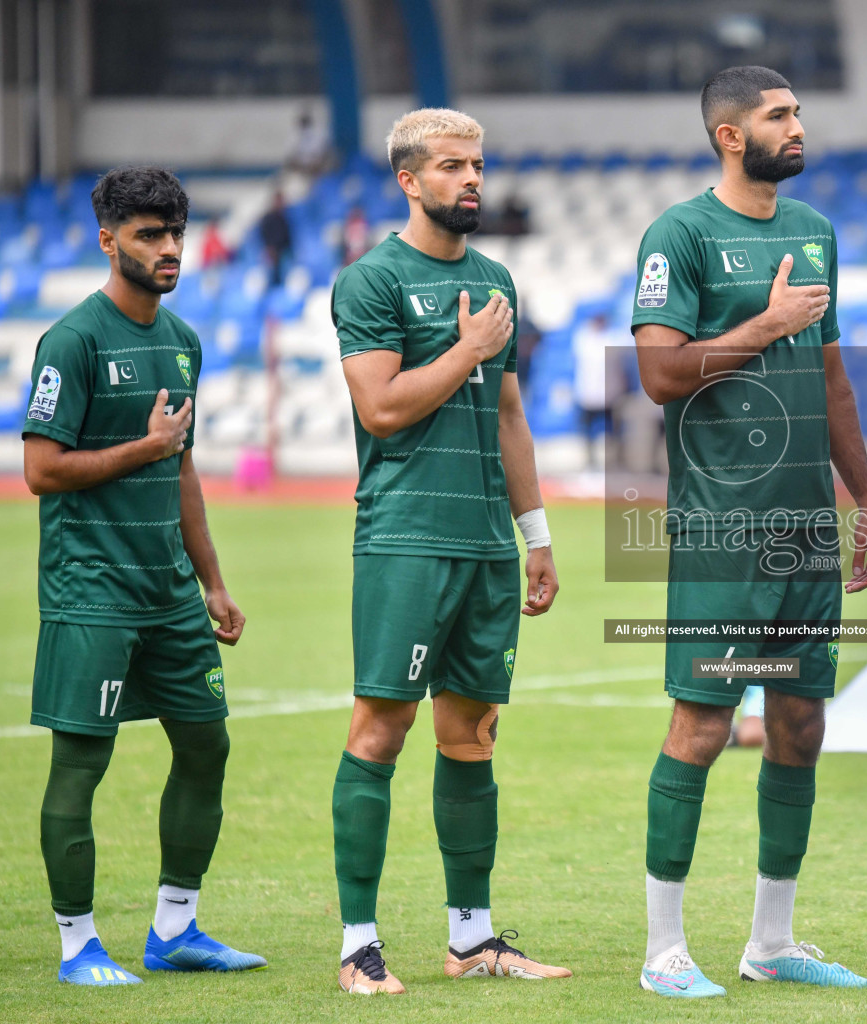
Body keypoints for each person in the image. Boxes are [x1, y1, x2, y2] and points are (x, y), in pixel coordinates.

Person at [630, 65, 867, 998]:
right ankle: (665, 951)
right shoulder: (681, 234)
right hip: (721, 531)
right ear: (731, 135)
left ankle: (770, 945)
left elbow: (832, 379)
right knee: (701, 726)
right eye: (780, 115)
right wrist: (765, 319)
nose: (798, 125)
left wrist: (866, 499)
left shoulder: (815, 233)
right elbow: (659, 376)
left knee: (799, 722)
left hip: (804, 529)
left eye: (799, 111)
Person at [328, 108, 567, 995]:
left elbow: (508, 415)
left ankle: (472, 940)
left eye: (477, 164)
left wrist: (534, 536)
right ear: (408, 179)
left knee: (473, 737)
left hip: (484, 545)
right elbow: (381, 408)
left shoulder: (496, 275)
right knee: (381, 730)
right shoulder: (371, 280)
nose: (471, 179)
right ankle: (358, 944)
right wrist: (467, 345)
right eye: (452, 166)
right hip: (405, 539)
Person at [21, 166, 264, 986]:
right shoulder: (72, 342)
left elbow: (184, 470)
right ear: (108, 240)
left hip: (169, 593)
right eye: (149, 235)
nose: (168, 249)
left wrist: (213, 582)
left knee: (207, 744)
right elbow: (41, 470)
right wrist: (145, 449)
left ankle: (176, 928)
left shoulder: (182, 340)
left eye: (175, 234)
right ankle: (77, 943)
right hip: (91, 590)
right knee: (81, 764)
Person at [571, 310, 623, 469]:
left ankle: (614, 460)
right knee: (587, 430)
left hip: (608, 394)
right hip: (587, 393)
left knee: (613, 428)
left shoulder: (612, 338)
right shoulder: (584, 337)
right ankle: (589, 460)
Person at [257, 191, 293, 287]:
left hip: (282, 253)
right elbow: (264, 235)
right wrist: (269, 249)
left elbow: (287, 238)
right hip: (272, 253)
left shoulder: (284, 219)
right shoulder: (268, 218)